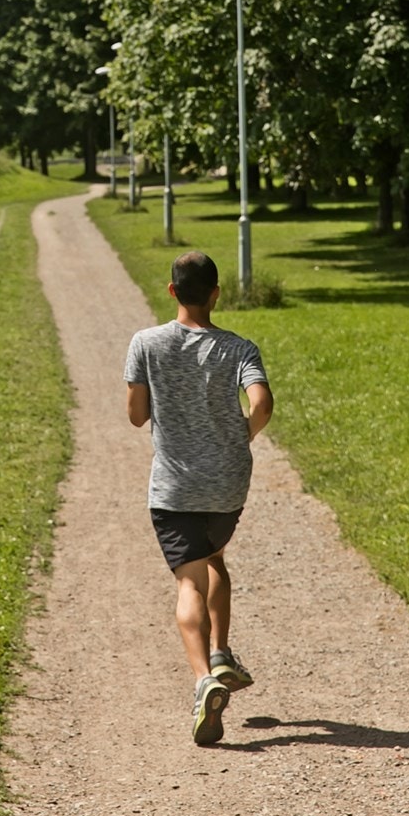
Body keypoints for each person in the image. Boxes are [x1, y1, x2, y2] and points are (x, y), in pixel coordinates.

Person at [124, 249, 273, 746]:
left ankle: (202, 679)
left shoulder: (146, 343)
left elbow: (137, 415)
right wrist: (241, 436)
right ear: (216, 294)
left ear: (171, 291)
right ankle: (221, 653)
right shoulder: (240, 348)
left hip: (175, 485)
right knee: (215, 561)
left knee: (189, 582)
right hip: (228, 484)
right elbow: (262, 403)